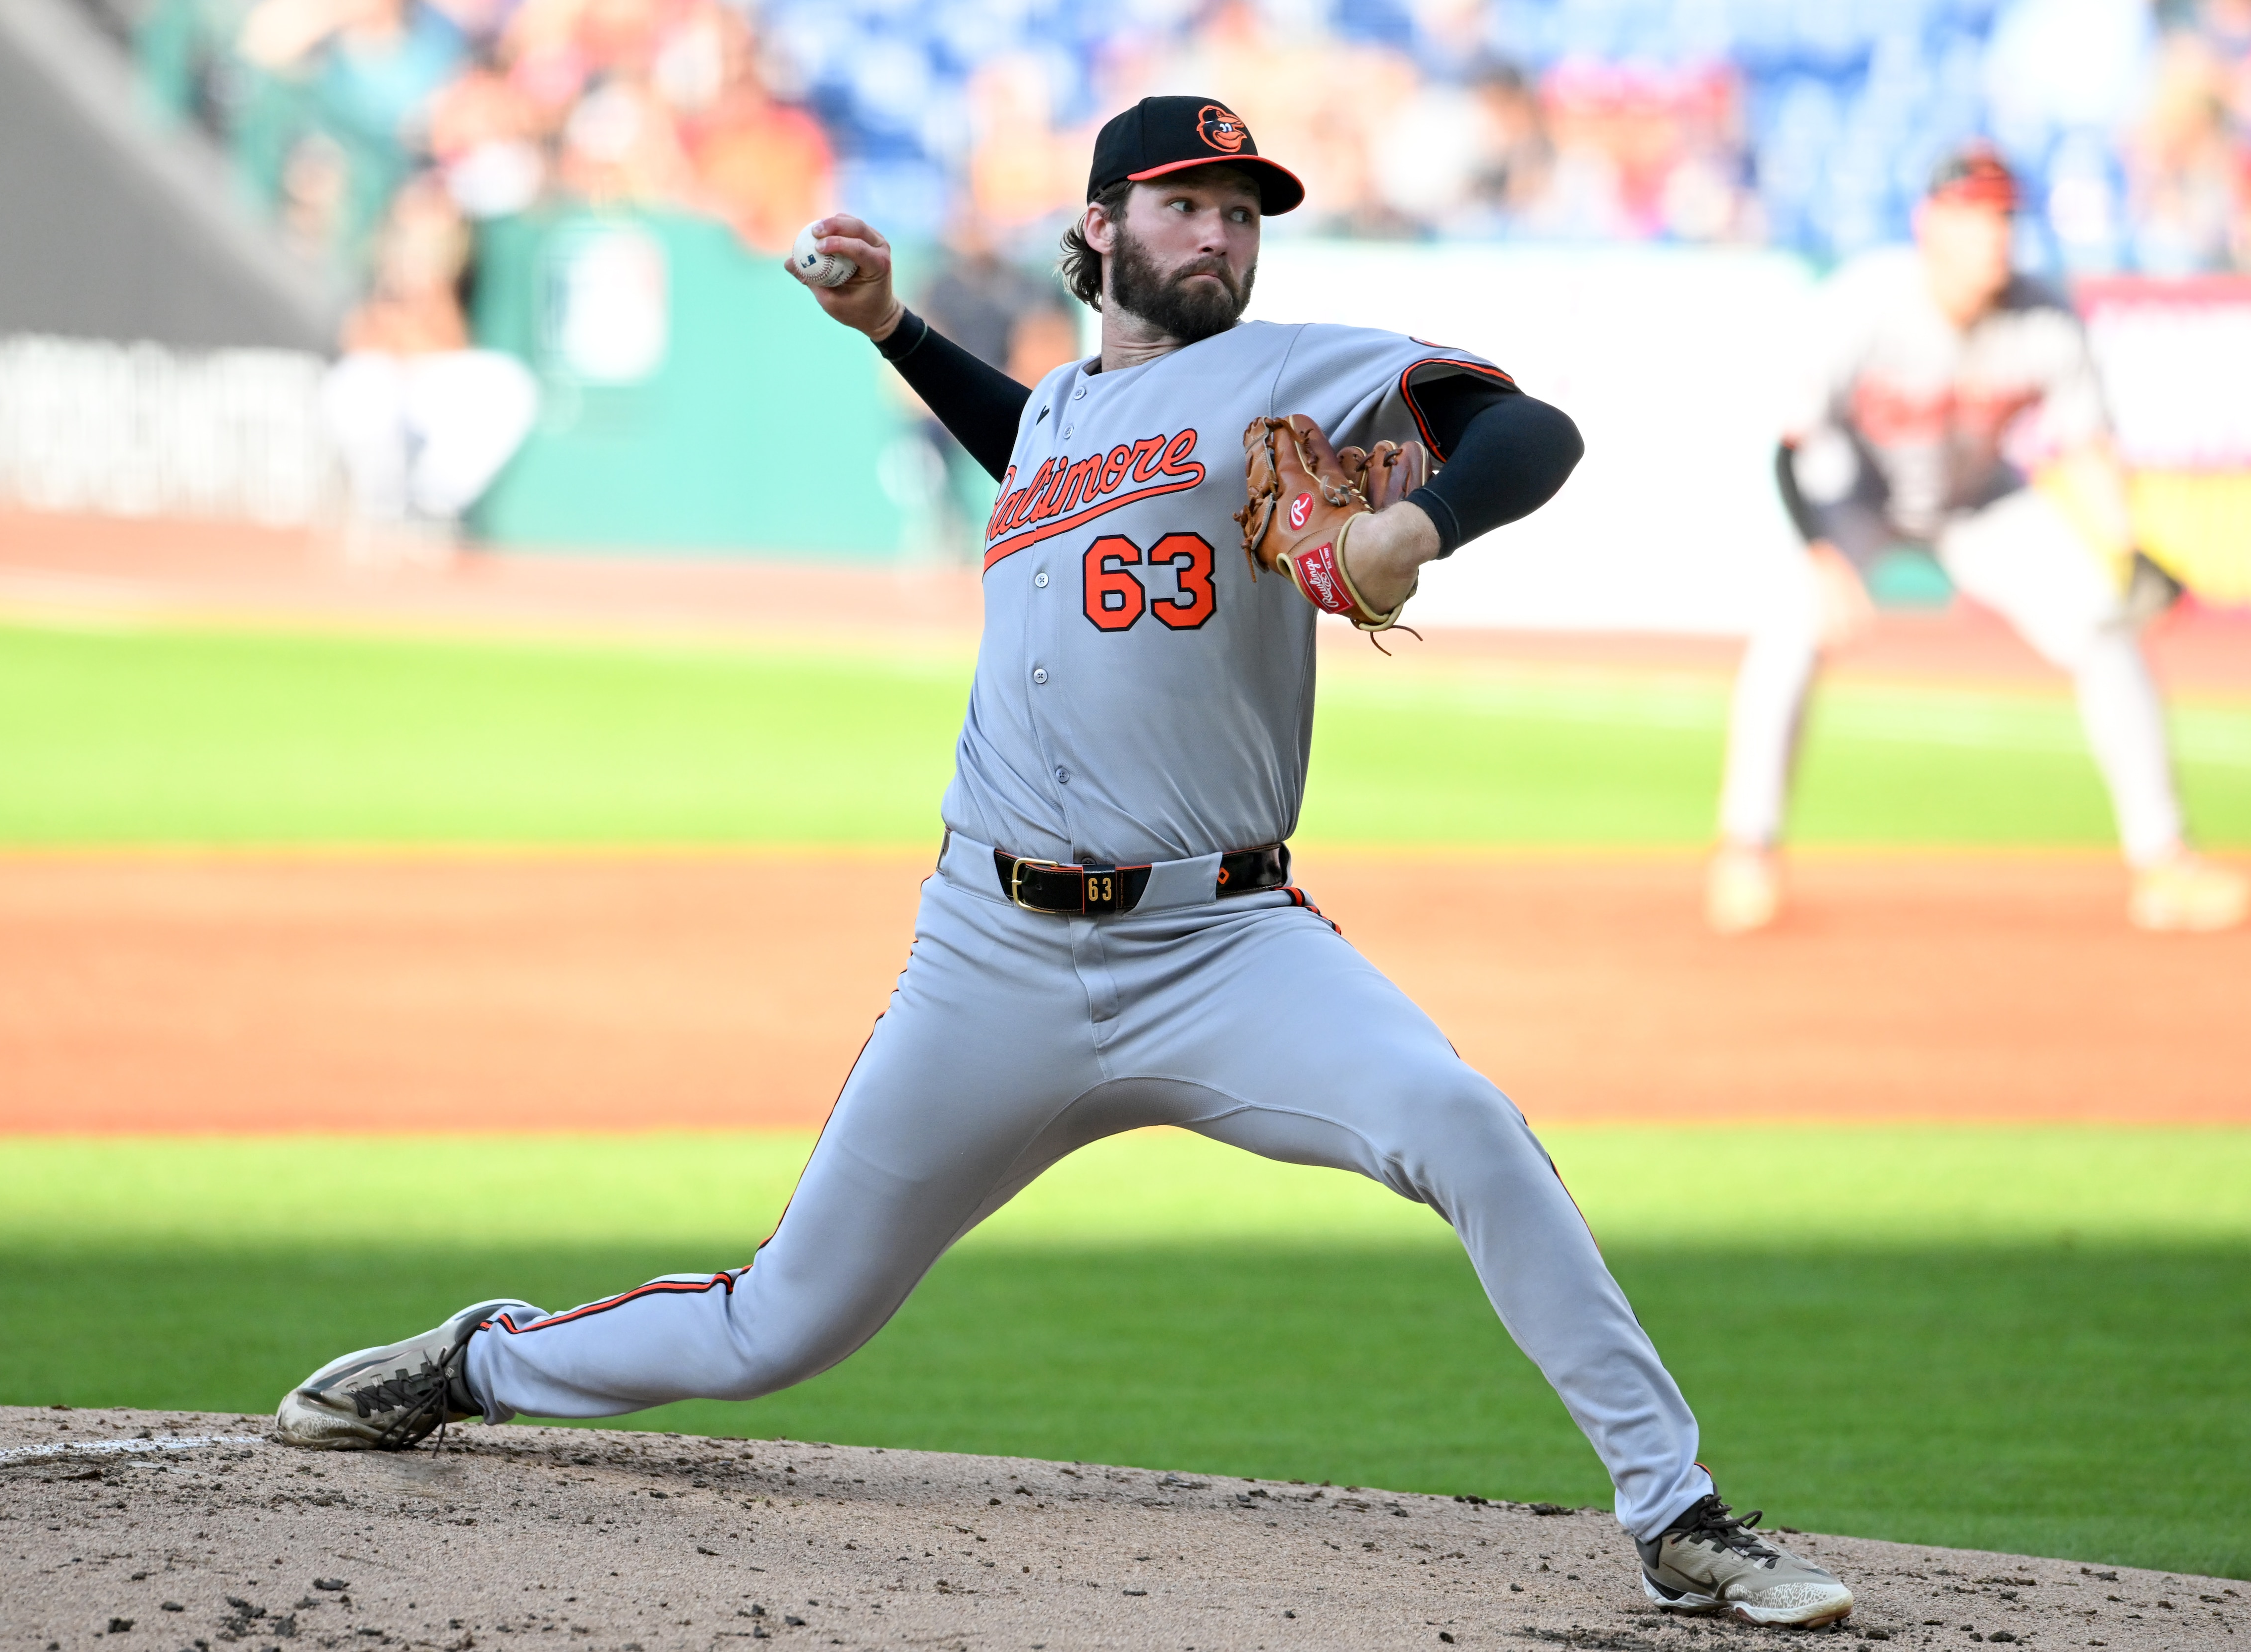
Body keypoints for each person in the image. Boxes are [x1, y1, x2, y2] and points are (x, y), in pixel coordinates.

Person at [271, 95, 1857, 1632]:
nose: (1220, 234)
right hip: (992, 955)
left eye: (1241, 214)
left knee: (1460, 1118)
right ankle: (481, 1362)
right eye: (1185, 203)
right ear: (1097, 231)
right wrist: (893, 330)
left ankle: (1674, 1515)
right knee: (782, 1324)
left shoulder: (1287, 376)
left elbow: (1532, 428)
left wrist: (1418, 522)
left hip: (1225, 947)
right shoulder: (1055, 414)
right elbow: (1027, 439)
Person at [1707, 145, 2251, 936]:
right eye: (1976, 217)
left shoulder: (2042, 314)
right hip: (1858, 495)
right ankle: (1746, 851)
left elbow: (2086, 446)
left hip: (1976, 503)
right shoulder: (1867, 301)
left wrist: (2129, 551)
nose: (1996, 235)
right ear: (1932, 226)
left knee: (2105, 623)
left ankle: (2164, 863)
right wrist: (1823, 556)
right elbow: (1790, 444)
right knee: (1790, 629)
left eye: (2005, 217)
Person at [319, 174, 538, 542]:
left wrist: (420, 307)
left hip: (432, 386)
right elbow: (359, 338)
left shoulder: (455, 278)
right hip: (385, 386)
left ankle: (432, 506)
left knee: (511, 387)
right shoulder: (378, 271)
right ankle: (380, 507)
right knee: (355, 388)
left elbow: (448, 341)